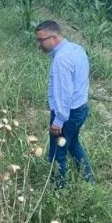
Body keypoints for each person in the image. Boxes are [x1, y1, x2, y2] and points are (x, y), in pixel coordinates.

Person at [35, 20, 94, 187]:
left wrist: (58, 120)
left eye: (41, 40)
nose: (39, 45)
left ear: (53, 38)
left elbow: (64, 93)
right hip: (80, 109)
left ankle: (59, 190)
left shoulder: (61, 60)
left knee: (56, 154)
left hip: (67, 114)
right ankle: (89, 180)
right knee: (73, 144)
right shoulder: (76, 49)